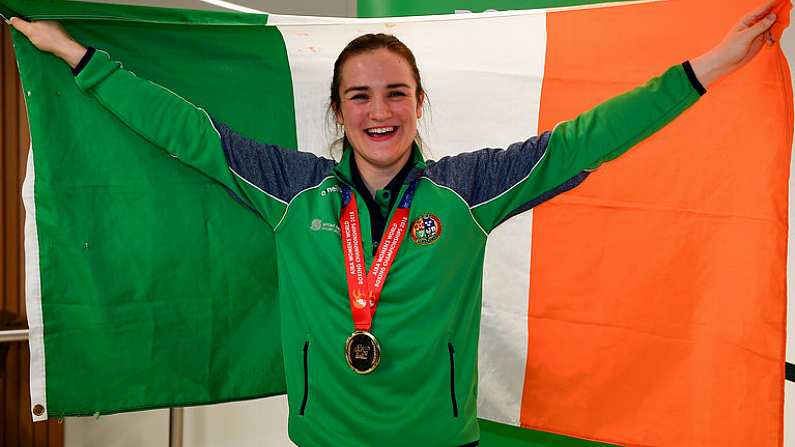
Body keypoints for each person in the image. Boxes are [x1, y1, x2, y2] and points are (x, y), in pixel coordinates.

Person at [9, 2, 782, 446]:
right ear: (338, 112)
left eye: (394, 92)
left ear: (417, 104)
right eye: (359, 95)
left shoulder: (469, 189)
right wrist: (74, 54)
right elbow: (185, 132)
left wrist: (707, 66)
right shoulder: (291, 189)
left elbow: (584, 140)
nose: (378, 110)